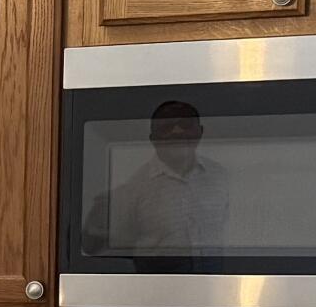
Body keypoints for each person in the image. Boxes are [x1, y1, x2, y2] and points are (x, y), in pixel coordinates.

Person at [89, 100, 232, 255]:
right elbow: (114, 250)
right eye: (166, 127)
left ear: (200, 132)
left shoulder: (220, 176)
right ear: (153, 138)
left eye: (186, 125)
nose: (177, 131)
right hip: (154, 276)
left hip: (214, 276)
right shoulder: (132, 188)